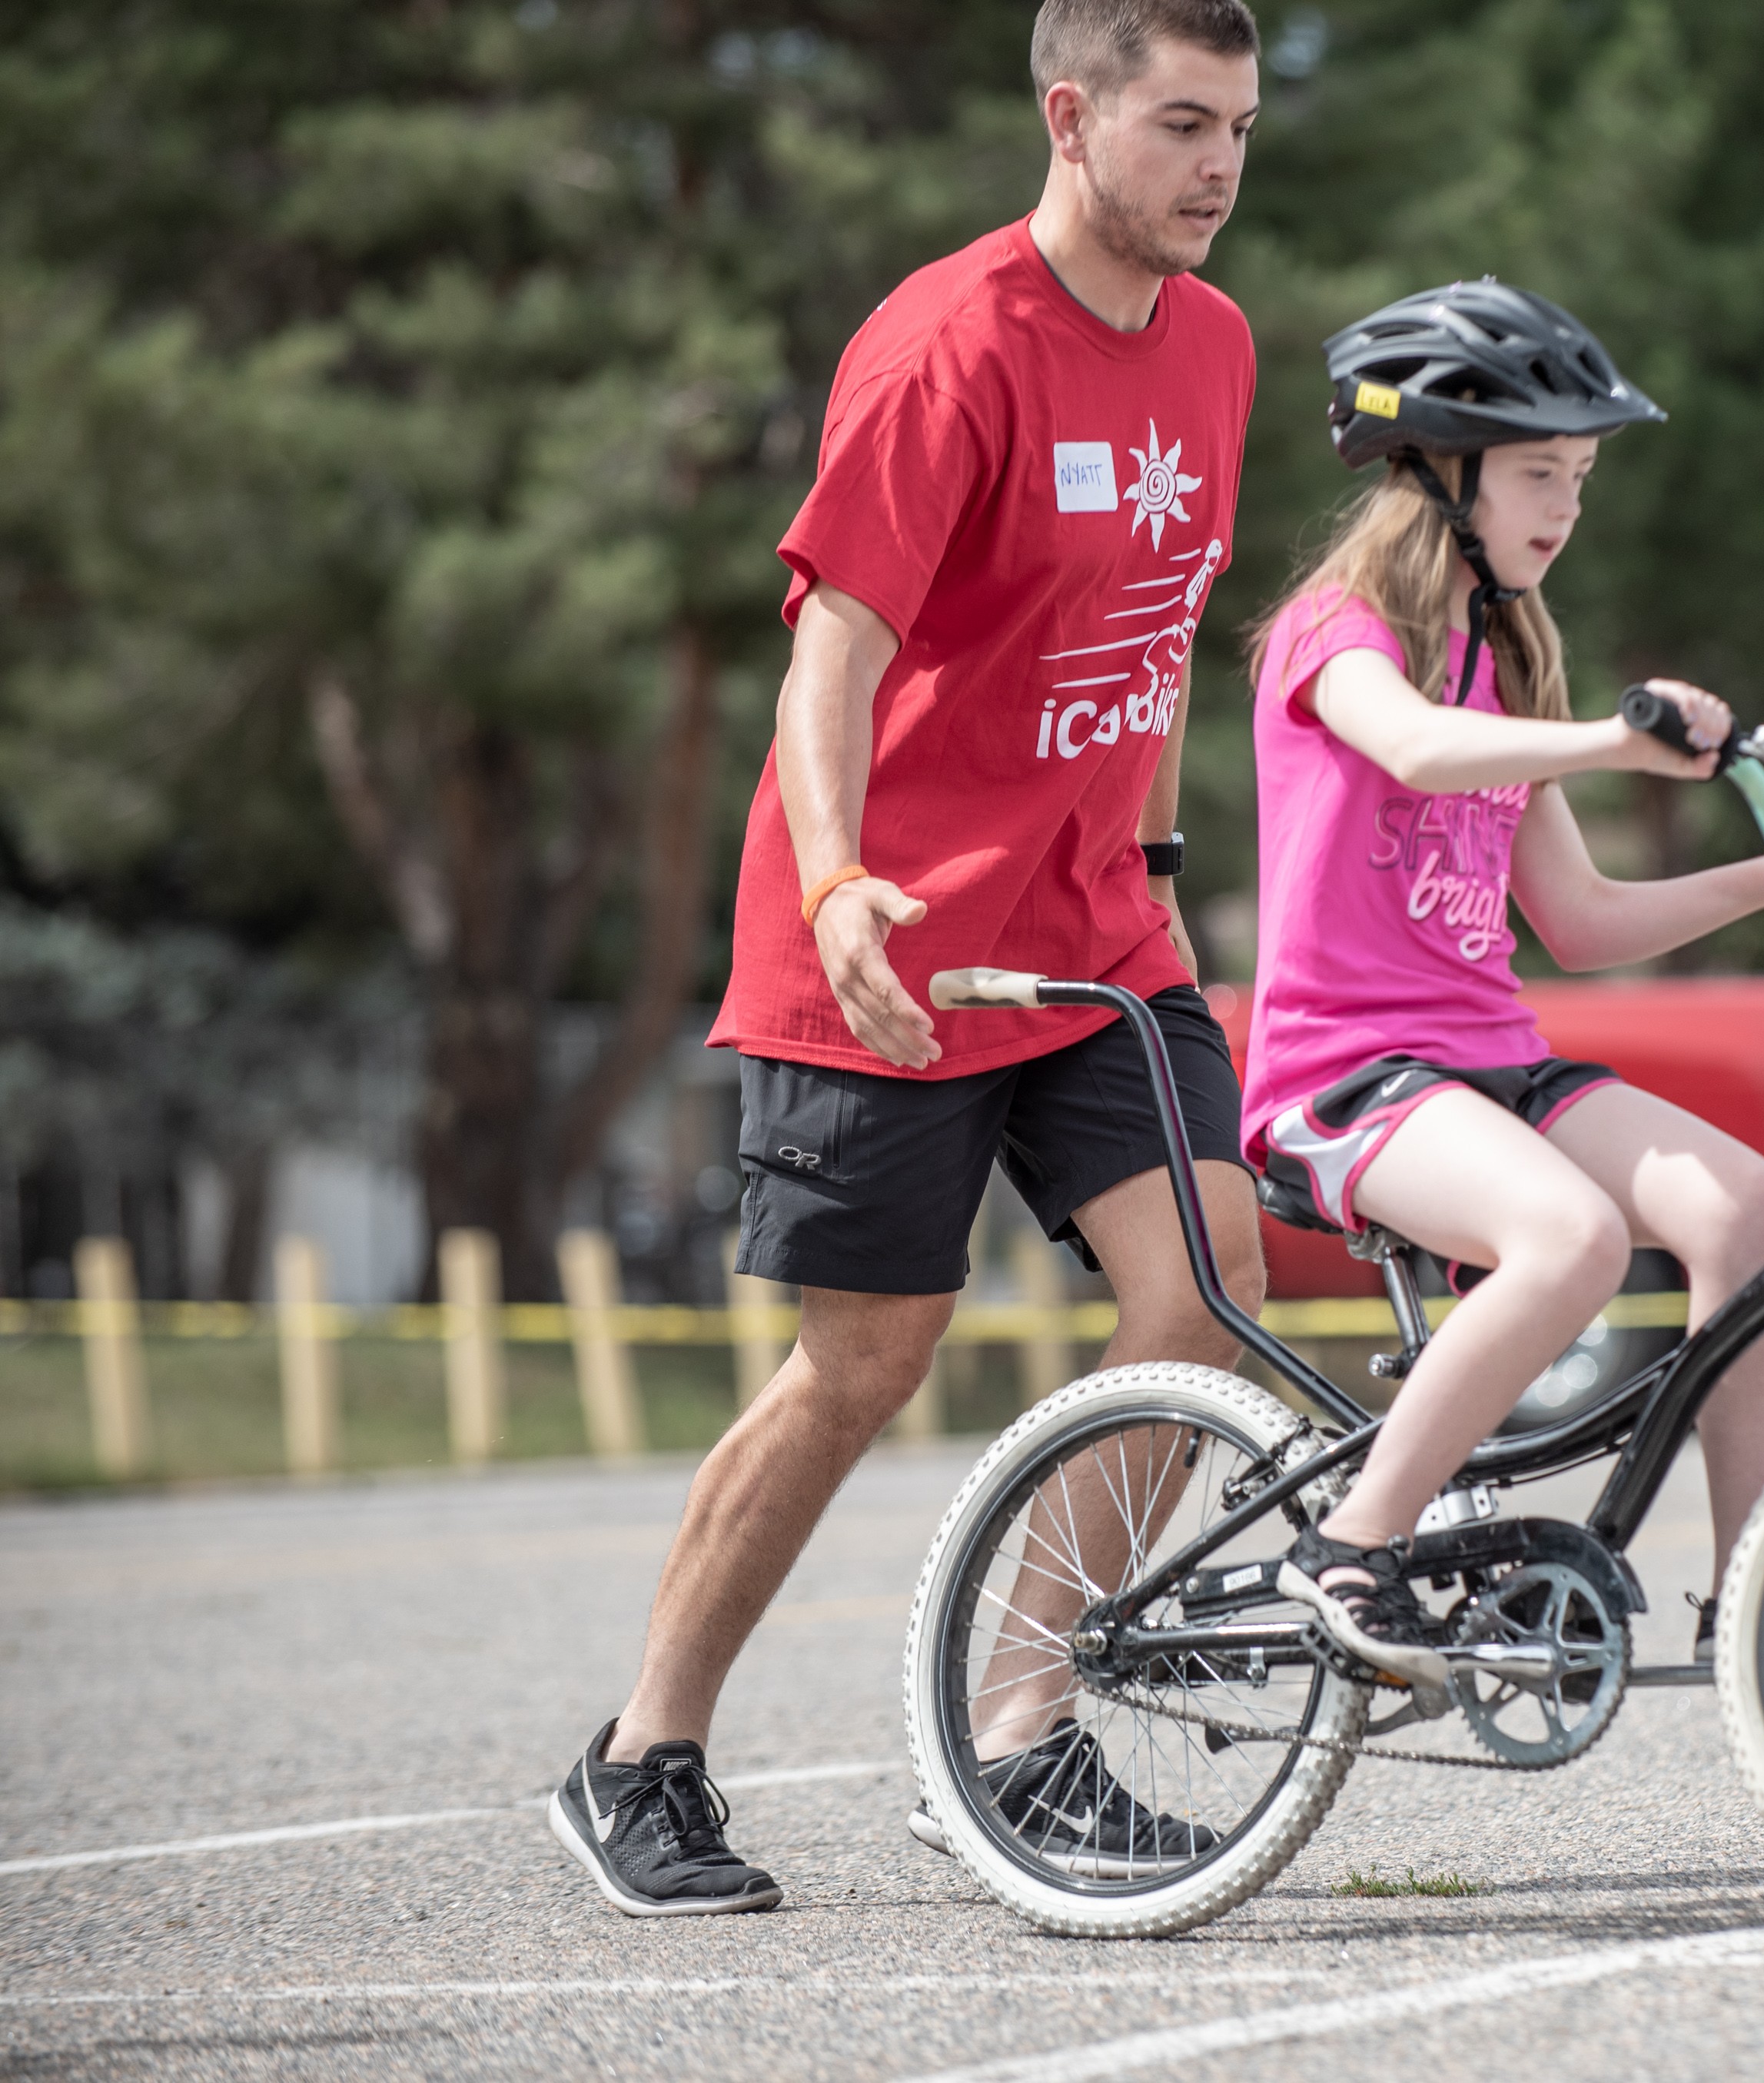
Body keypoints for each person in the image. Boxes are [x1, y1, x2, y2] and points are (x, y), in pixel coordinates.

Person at [547, 0, 1268, 1919]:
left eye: (1241, 130)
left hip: (1097, 923)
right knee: (862, 1362)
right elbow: (833, 654)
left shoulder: (1214, 345)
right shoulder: (947, 345)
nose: (1217, 167)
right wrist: (849, 877)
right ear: (1069, 114)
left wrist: (1167, 859)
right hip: (892, 942)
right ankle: (640, 1753)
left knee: (1202, 1288)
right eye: (1182, 124)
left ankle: (1018, 1732)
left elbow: (1160, 627)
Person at [1243, 283, 1764, 1693]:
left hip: (1488, 1058)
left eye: (1581, 478)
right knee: (1571, 1237)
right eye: (1540, 472)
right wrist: (1611, 745)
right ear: (1440, 470)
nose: (1564, 505)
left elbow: (1584, 919)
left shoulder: (1511, 656)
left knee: (1744, 1204)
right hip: (1342, 1077)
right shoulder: (1337, 632)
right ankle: (1350, 1545)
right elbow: (1419, 753)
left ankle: (1754, 1588)